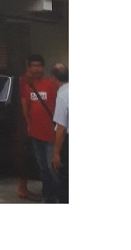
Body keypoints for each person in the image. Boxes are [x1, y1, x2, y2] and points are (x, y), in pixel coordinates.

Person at [21, 53, 59, 203]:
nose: (37, 69)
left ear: (44, 68)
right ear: (29, 68)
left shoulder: (51, 85)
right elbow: (26, 108)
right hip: (35, 134)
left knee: (52, 168)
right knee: (42, 168)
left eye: (39, 66)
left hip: (51, 135)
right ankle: (47, 195)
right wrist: (29, 124)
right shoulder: (28, 87)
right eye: (34, 66)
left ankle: (58, 196)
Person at [16, 56, 38, 200]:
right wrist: (29, 123)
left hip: (32, 122)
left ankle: (23, 187)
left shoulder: (32, 80)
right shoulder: (25, 81)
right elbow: (25, 103)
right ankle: (22, 188)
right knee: (25, 154)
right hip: (26, 123)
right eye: (34, 66)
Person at [51, 63, 69, 204]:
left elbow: (61, 128)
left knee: (65, 182)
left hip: (68, 143)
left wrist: (56, 153)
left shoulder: (62, 96)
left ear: (54, 78)